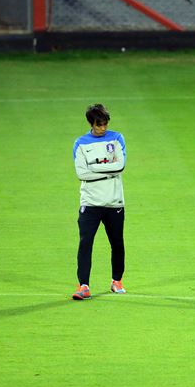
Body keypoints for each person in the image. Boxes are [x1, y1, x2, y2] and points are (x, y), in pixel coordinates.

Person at [71, 104, 127, 300]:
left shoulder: (117, 138)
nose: (103, 128)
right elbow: (81, 173)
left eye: (105, 124)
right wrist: (107, 168)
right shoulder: (80, 143)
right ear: (91, 123)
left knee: (117, 243)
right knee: (85, 243)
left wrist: (93, 168)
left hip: (114, 202)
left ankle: (116, 281)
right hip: (90, 203)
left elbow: (120, 166)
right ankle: (83, 286)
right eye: (99, 124)